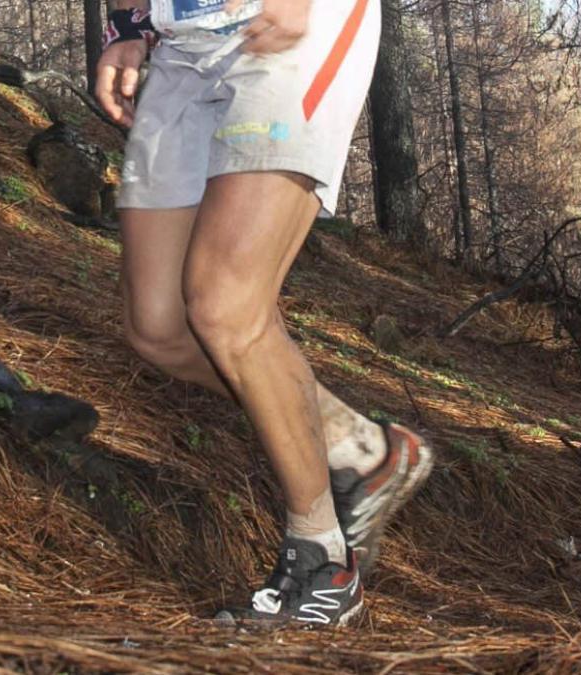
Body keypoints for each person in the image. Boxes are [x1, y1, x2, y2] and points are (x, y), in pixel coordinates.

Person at [94, 0, 433, 627]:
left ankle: (323, 566)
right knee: (160, 327)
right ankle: (358, 447)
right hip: (182, 45)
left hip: (296, 27)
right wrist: (130, 27)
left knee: (226, 306)